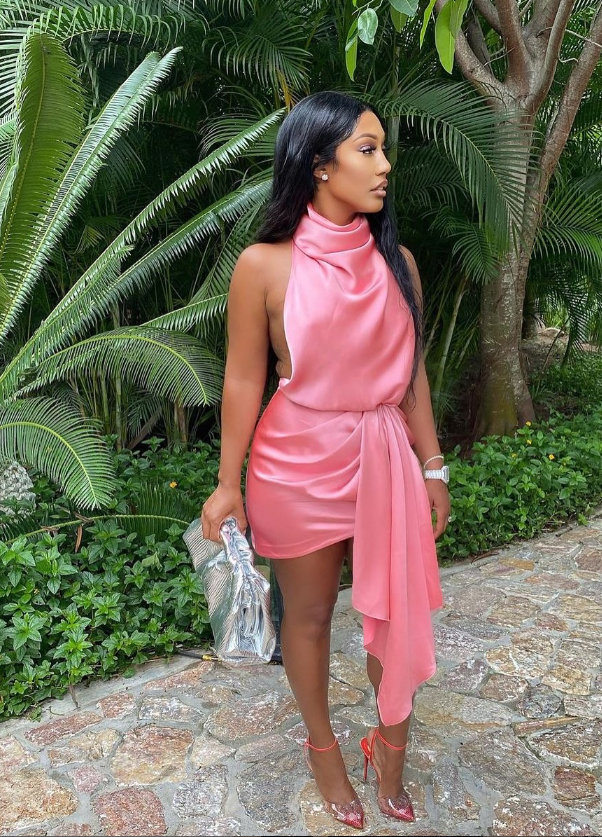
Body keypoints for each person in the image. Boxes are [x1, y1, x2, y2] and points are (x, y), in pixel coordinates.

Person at [201, 91, 449, 830]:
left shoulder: (398, 262)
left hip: (386, 461)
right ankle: (324, 751)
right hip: (297, 465)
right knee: (307, 620)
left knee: (395, 611)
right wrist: (227, 483)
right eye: (367, 149)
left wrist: (433, 465)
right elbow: (243, 379)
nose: (385, 164)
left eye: (383, 148)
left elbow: (412, 376)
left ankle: (391, 747)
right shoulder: (263, 266)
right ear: (318, 165)